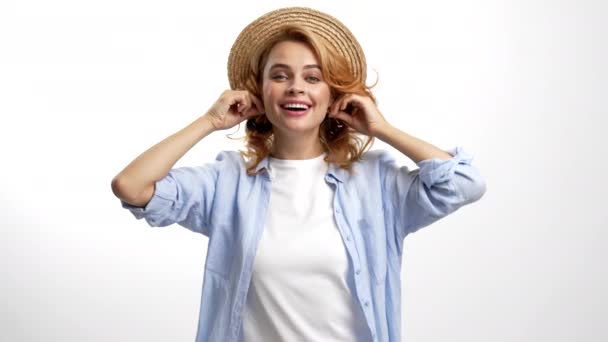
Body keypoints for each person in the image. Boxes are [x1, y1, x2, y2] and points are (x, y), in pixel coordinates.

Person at [111, 6, 486, 342]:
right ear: (259, 90)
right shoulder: (227, 181)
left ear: (332, 93)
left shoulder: (376, 183)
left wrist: (382, 129)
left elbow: (464, 183)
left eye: (312, 77)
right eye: (280, 75)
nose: (295, 88)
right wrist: (209, 121)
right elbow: (131, 186)